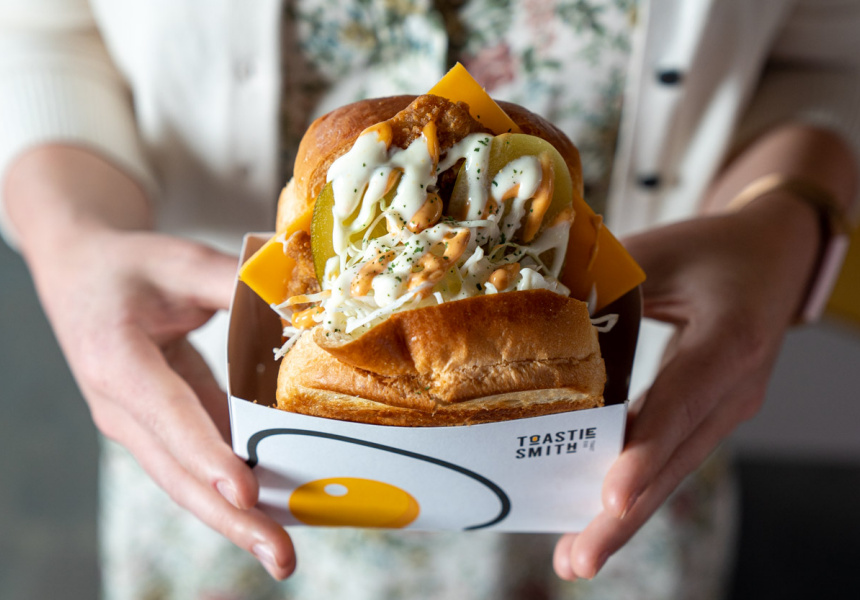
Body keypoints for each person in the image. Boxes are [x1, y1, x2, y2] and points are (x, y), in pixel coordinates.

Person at [2, 0, 858, 598]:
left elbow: (828, 50)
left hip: (625, 438)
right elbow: (39, 31)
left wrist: (783, 219)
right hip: (214, 429)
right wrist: (73, 239)